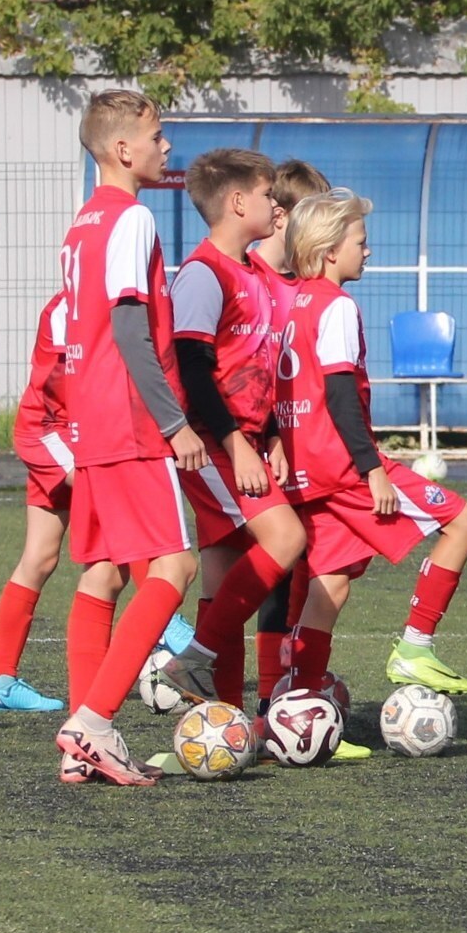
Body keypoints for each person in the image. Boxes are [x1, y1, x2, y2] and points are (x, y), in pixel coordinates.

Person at [274, 188, 467, 700]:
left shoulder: (297, 304)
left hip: (307, 468)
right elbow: (339, 393)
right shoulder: (336, 305)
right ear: (330, 251)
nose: (368, 251)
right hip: (342, 467)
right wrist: (373, 470)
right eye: (360, 241)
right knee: (462, 522)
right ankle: (415, 646)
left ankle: (299, 703)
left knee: (329, 581)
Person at [55, 89, 204, 786]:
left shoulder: (81, 224)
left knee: (104, 572)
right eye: (156, 135)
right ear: (123, 149)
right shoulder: (131, 216)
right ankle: (93, 723)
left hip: (91, 418)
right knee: (175, 569)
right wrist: (174, 423)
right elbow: (127, 326)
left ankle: (79, 742)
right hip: (130, 421)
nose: (165, 146)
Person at [155, 149, 307, 720]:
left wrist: (271, 434)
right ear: (239, 202)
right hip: (214, 444)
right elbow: (193, 369)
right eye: (269, 196)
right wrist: (237, 443)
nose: (276, 205)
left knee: (221, 578)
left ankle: (221, 717)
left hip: (242, 441)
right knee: (286, 540)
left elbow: (257, 368)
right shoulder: (204, 272)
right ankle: (194, 658)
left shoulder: (252, 272)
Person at [250, 159, 332, 714]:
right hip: (245, 446)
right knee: (267, 564)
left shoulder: (303, 287)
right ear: (281, 217)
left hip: (291, 443)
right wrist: (266, 437)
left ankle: (287, 690)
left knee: (304, 561)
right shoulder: (249, 276)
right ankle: (261, 695)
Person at [0, 290, 72, 712]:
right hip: (53, 434)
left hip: (80, 435)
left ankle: (1, 678)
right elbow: (68, 384)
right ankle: (170, 631)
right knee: (123, 514)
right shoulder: (66, 308)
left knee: (40, 557)